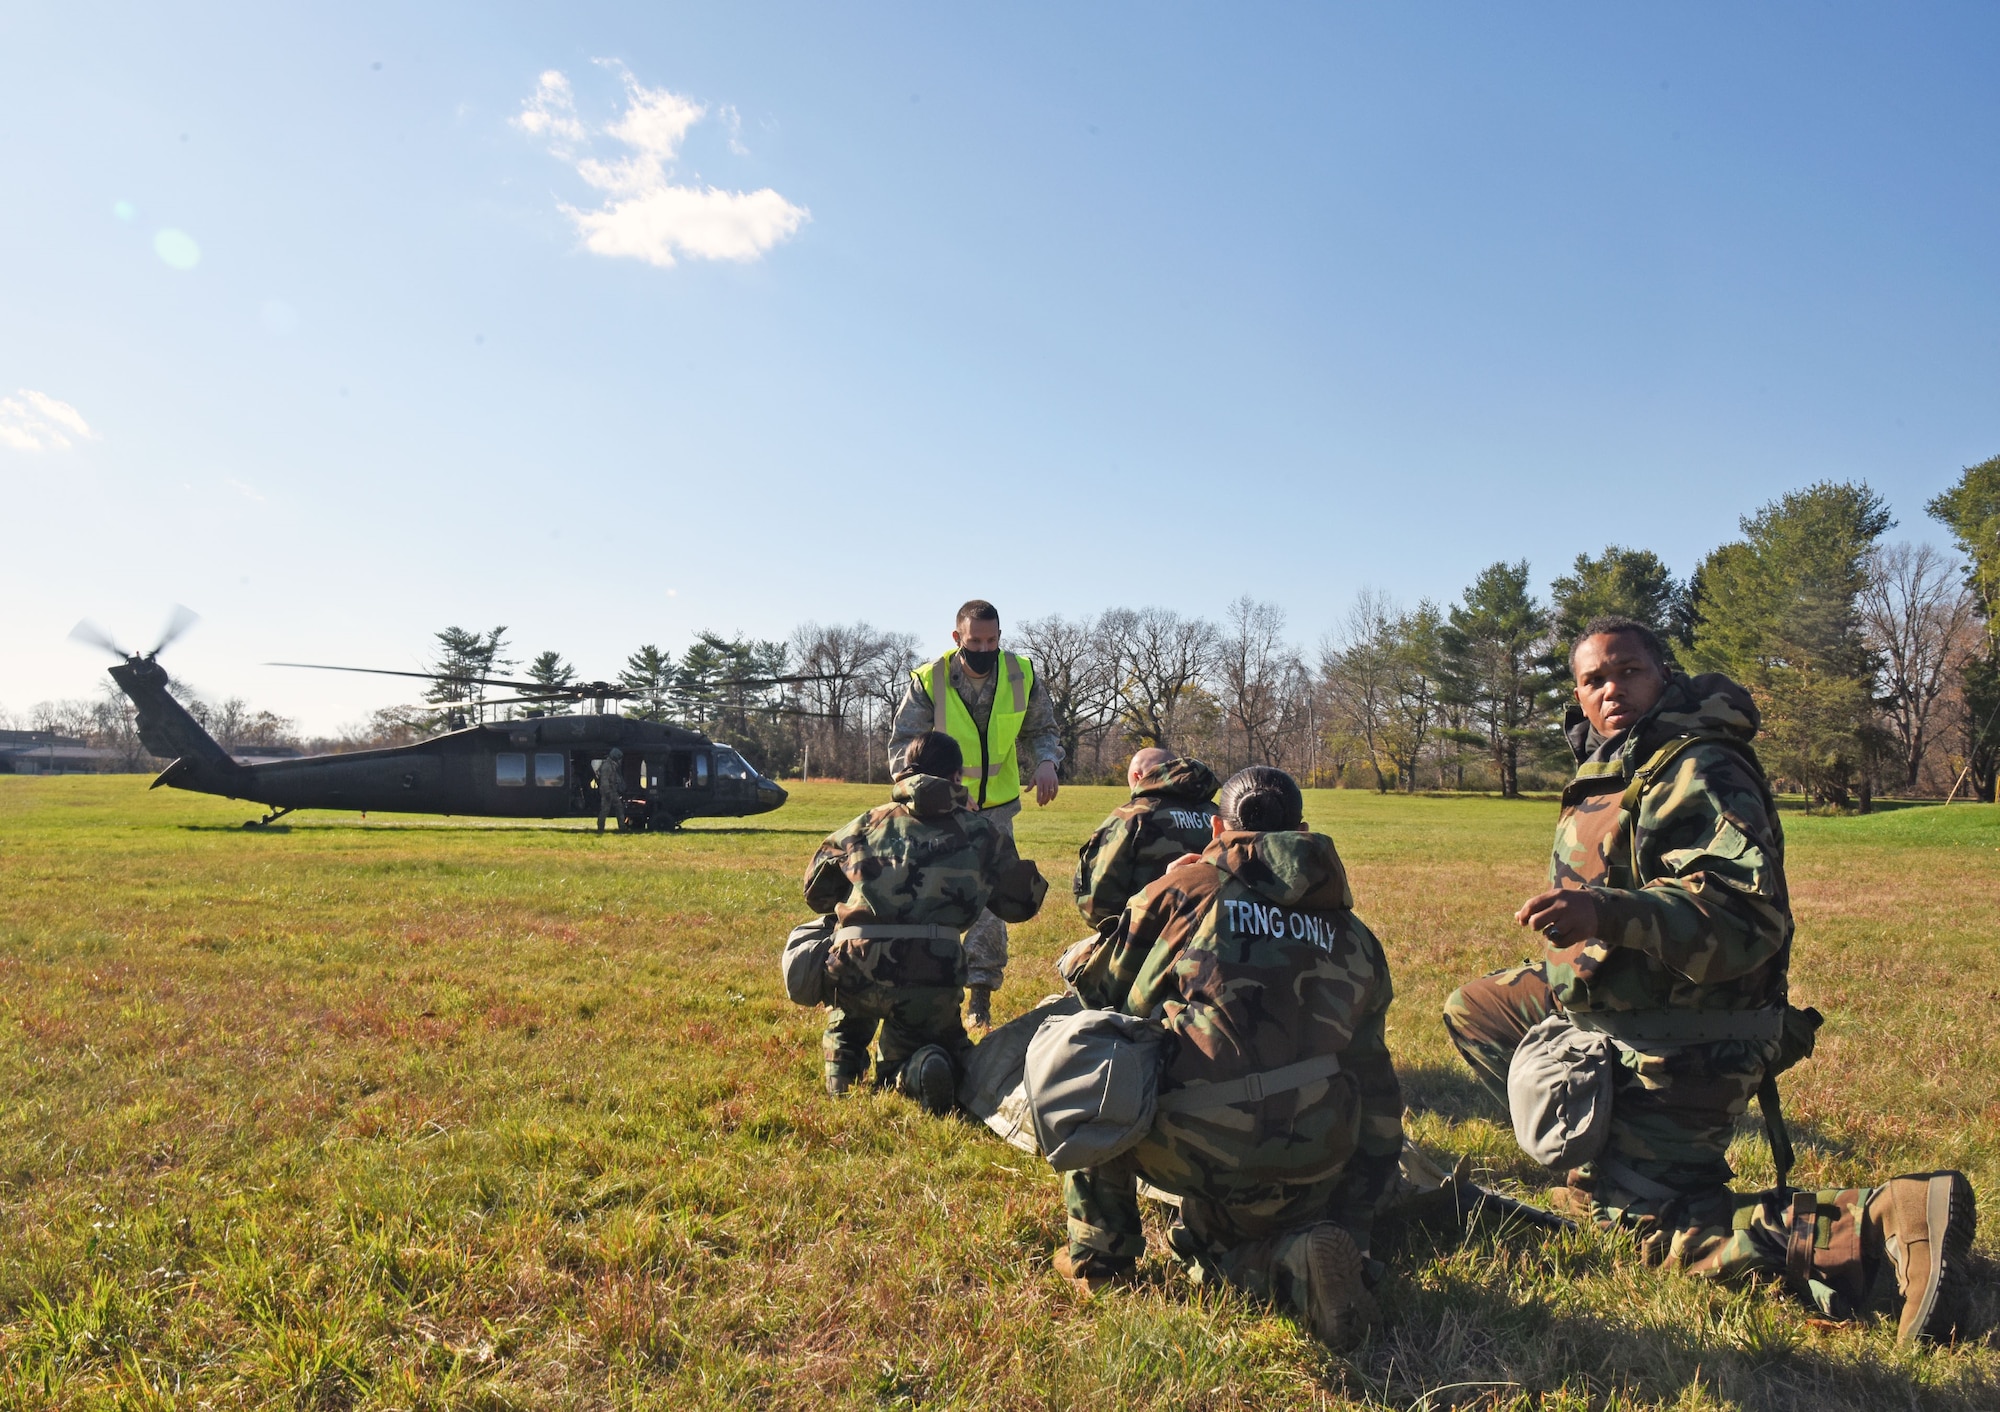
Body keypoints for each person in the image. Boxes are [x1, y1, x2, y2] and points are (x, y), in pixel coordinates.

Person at [1441, 616, 1976, 1344]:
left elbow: (1747, 919)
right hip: (1622, 1010)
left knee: (1652, 1233)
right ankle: (1605, 1160)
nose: (1611, 689)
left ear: (1663, 673)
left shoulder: (1698, 766)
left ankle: (1881, 1219)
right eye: (1593, 679)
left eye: (1627, 671)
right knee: (1479, 1007)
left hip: (1692, 1036)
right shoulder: (1622, 763)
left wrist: (1606, 911)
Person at [1055, 766, 1404, 1349]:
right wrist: (1357, 1219)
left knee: (1089, 1059)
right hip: (1316, 1152)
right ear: (1303, 831)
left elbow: (1102, 998)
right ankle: (1293, 1255)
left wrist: (1162, 894)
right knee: (1217, 1239)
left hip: (1196, 1145)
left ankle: (1101, 1257)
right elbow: (1376, 1081)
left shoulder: (1185, 892)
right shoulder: (1355, 934)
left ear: (1218, 828)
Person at [803, 730, 1048, 1112]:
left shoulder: (864, 825)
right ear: (956, 779)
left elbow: (814, 891)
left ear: (903, 772)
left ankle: (842, 1073)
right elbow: (1022, 904)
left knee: (848, 1016)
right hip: (930, 973)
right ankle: (913, 1071)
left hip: (855, 967)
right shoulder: (980, 833)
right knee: (935, 1047)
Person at [888, 599, 1065, 1030]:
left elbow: (1043, 729)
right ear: (957, 638)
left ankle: (979, 998)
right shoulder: (930, 680)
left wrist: (1046, 761)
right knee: (936, 893)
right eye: (974, 641)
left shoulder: (1021, 674)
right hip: (939, 808)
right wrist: (941, 793)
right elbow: (902, 752)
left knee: (989, 900)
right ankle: (929, 988)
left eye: (991, 640)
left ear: (1000, 637)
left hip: (997, 810)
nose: (983, 649)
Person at [1072, 748, 1221, 929]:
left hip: (1147, 933)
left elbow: (1097, 900)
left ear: (1137, 776)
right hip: (1214, 930)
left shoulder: (1133, 815)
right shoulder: (1219, 814)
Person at [596, 747, 625, 833]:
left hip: (612, 790)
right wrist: (607, 792)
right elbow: (604, 781)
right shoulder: (607, 766)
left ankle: (622, 826)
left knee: (619, 807)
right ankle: (600, 828)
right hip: (607, 791)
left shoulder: (612, 765)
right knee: (605, 810)